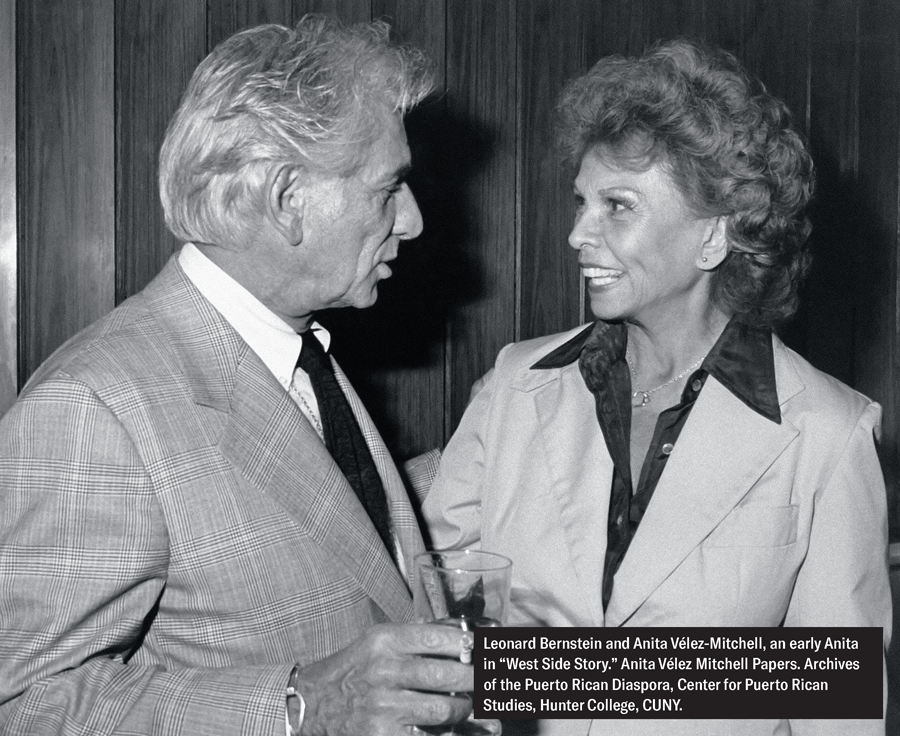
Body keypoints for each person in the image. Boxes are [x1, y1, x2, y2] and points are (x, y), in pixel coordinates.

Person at [0, 16, 496, 736]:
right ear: (288, 199)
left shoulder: (298, 351)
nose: (414, 220)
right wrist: (300, 707)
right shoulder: (91, 408)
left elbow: (333, 547)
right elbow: (21, 706)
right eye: (389, 187)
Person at [423, 39, 891, 736]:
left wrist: (529, 672)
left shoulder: (828, 430)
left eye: (618, 205)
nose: (579, 232)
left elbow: (835, 707)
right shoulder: (516, 387)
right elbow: (425, 603)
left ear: (713, 239)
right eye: (582, 202)